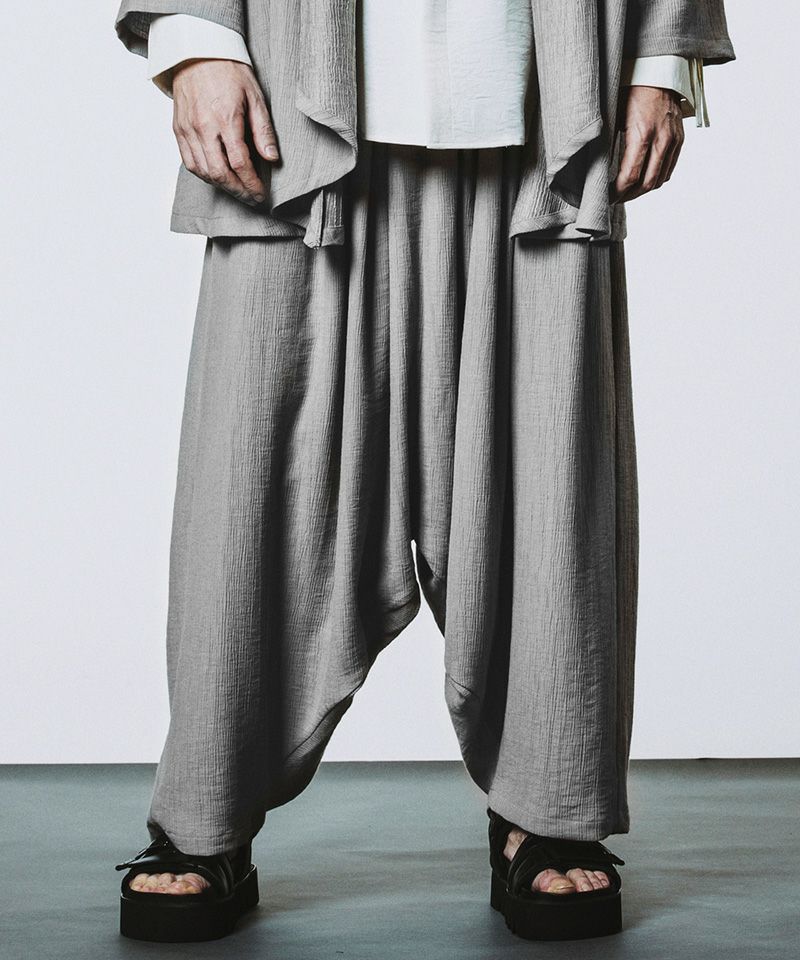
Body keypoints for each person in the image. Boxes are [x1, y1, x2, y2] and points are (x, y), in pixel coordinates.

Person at [111, 0, 735, 943]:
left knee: (548, 475)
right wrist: (191, 37)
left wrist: (660, 59)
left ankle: (550, 805)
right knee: (251, 475)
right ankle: (205, 813)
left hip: (547, 102)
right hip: (293, 90)